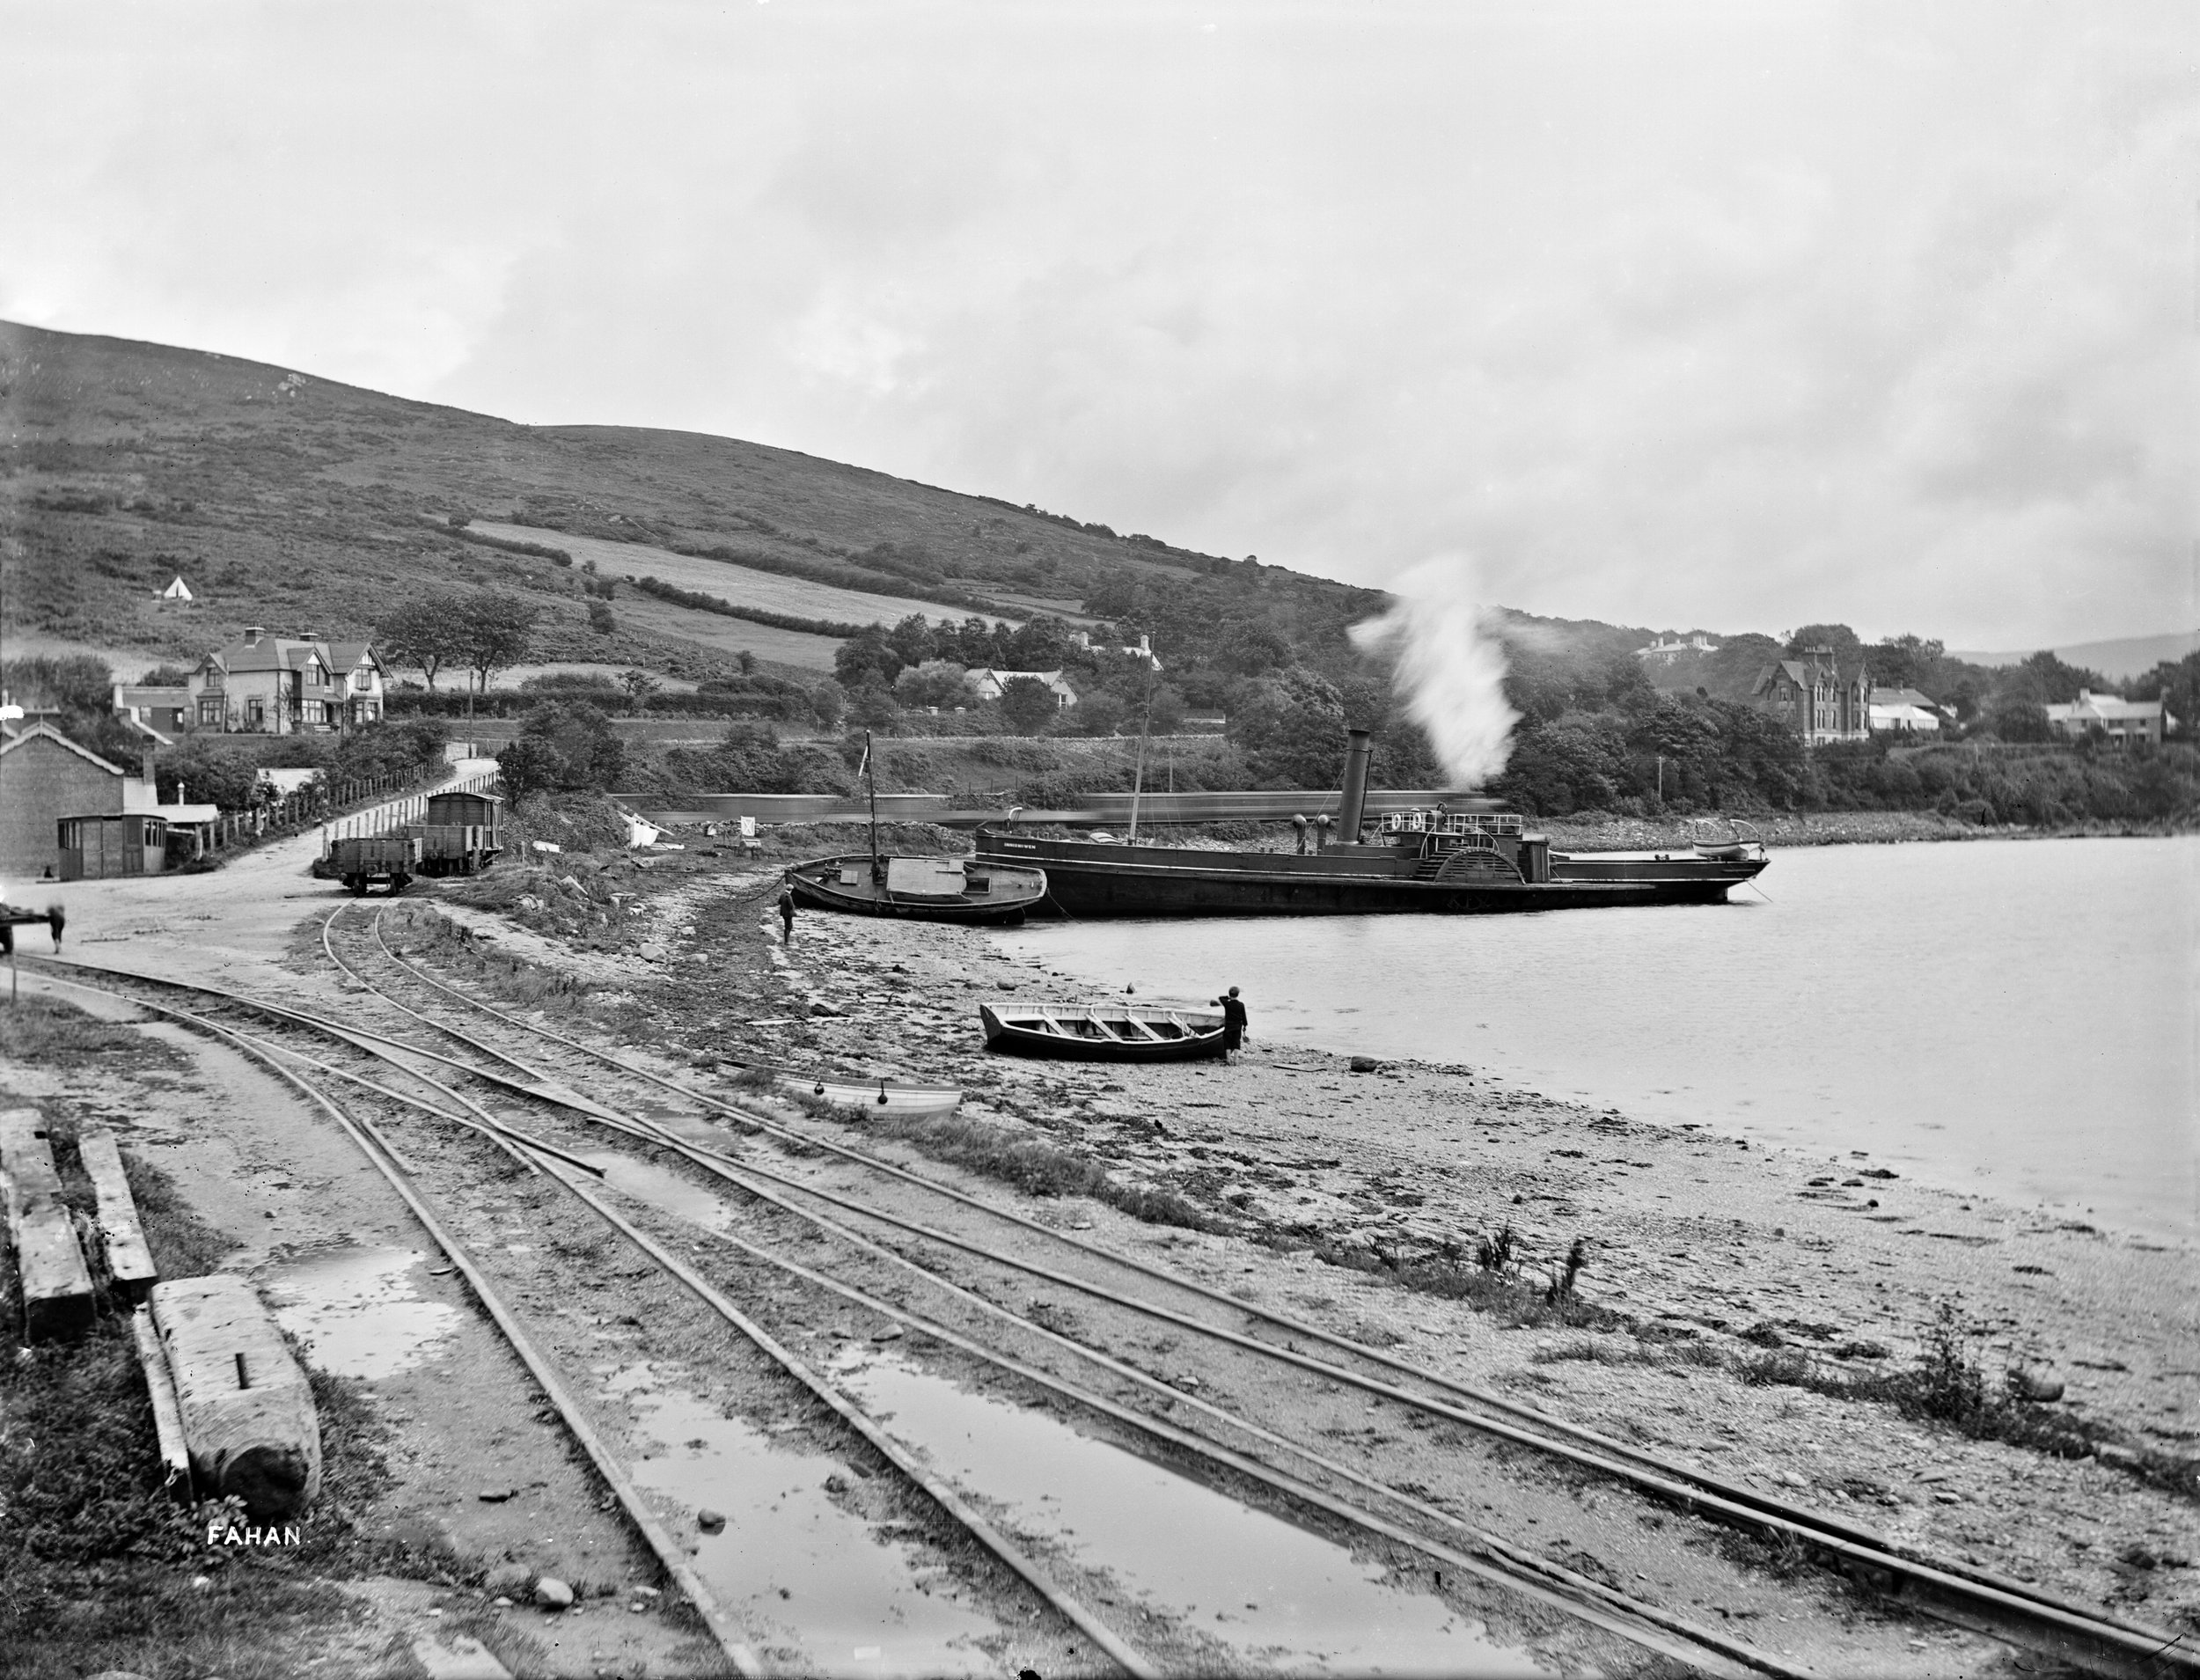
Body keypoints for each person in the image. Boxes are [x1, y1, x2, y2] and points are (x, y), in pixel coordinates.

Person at [1216, 985, 1249, 1061]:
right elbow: (1244, 1017)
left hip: (1228, 1027)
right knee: (1236, 1043)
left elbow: (1220, 998)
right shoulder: (1241, 1005)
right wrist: (1245, 1025)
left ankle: (1228, 1060)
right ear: (1238, 994)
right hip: (1237, 1027)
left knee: (1227, 1043)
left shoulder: (1227, 1003)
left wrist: (1228, 997)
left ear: (1230, 994)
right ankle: (1236, 1060)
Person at [777, 882, 796, 946]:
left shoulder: (782, 895)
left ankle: (786, 940)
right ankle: (786, 941)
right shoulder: (789, 896)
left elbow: (779, 902)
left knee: (788, 926)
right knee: (789, 927)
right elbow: (791, 906)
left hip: (783, 913)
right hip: (788, 914)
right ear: (791, 890)